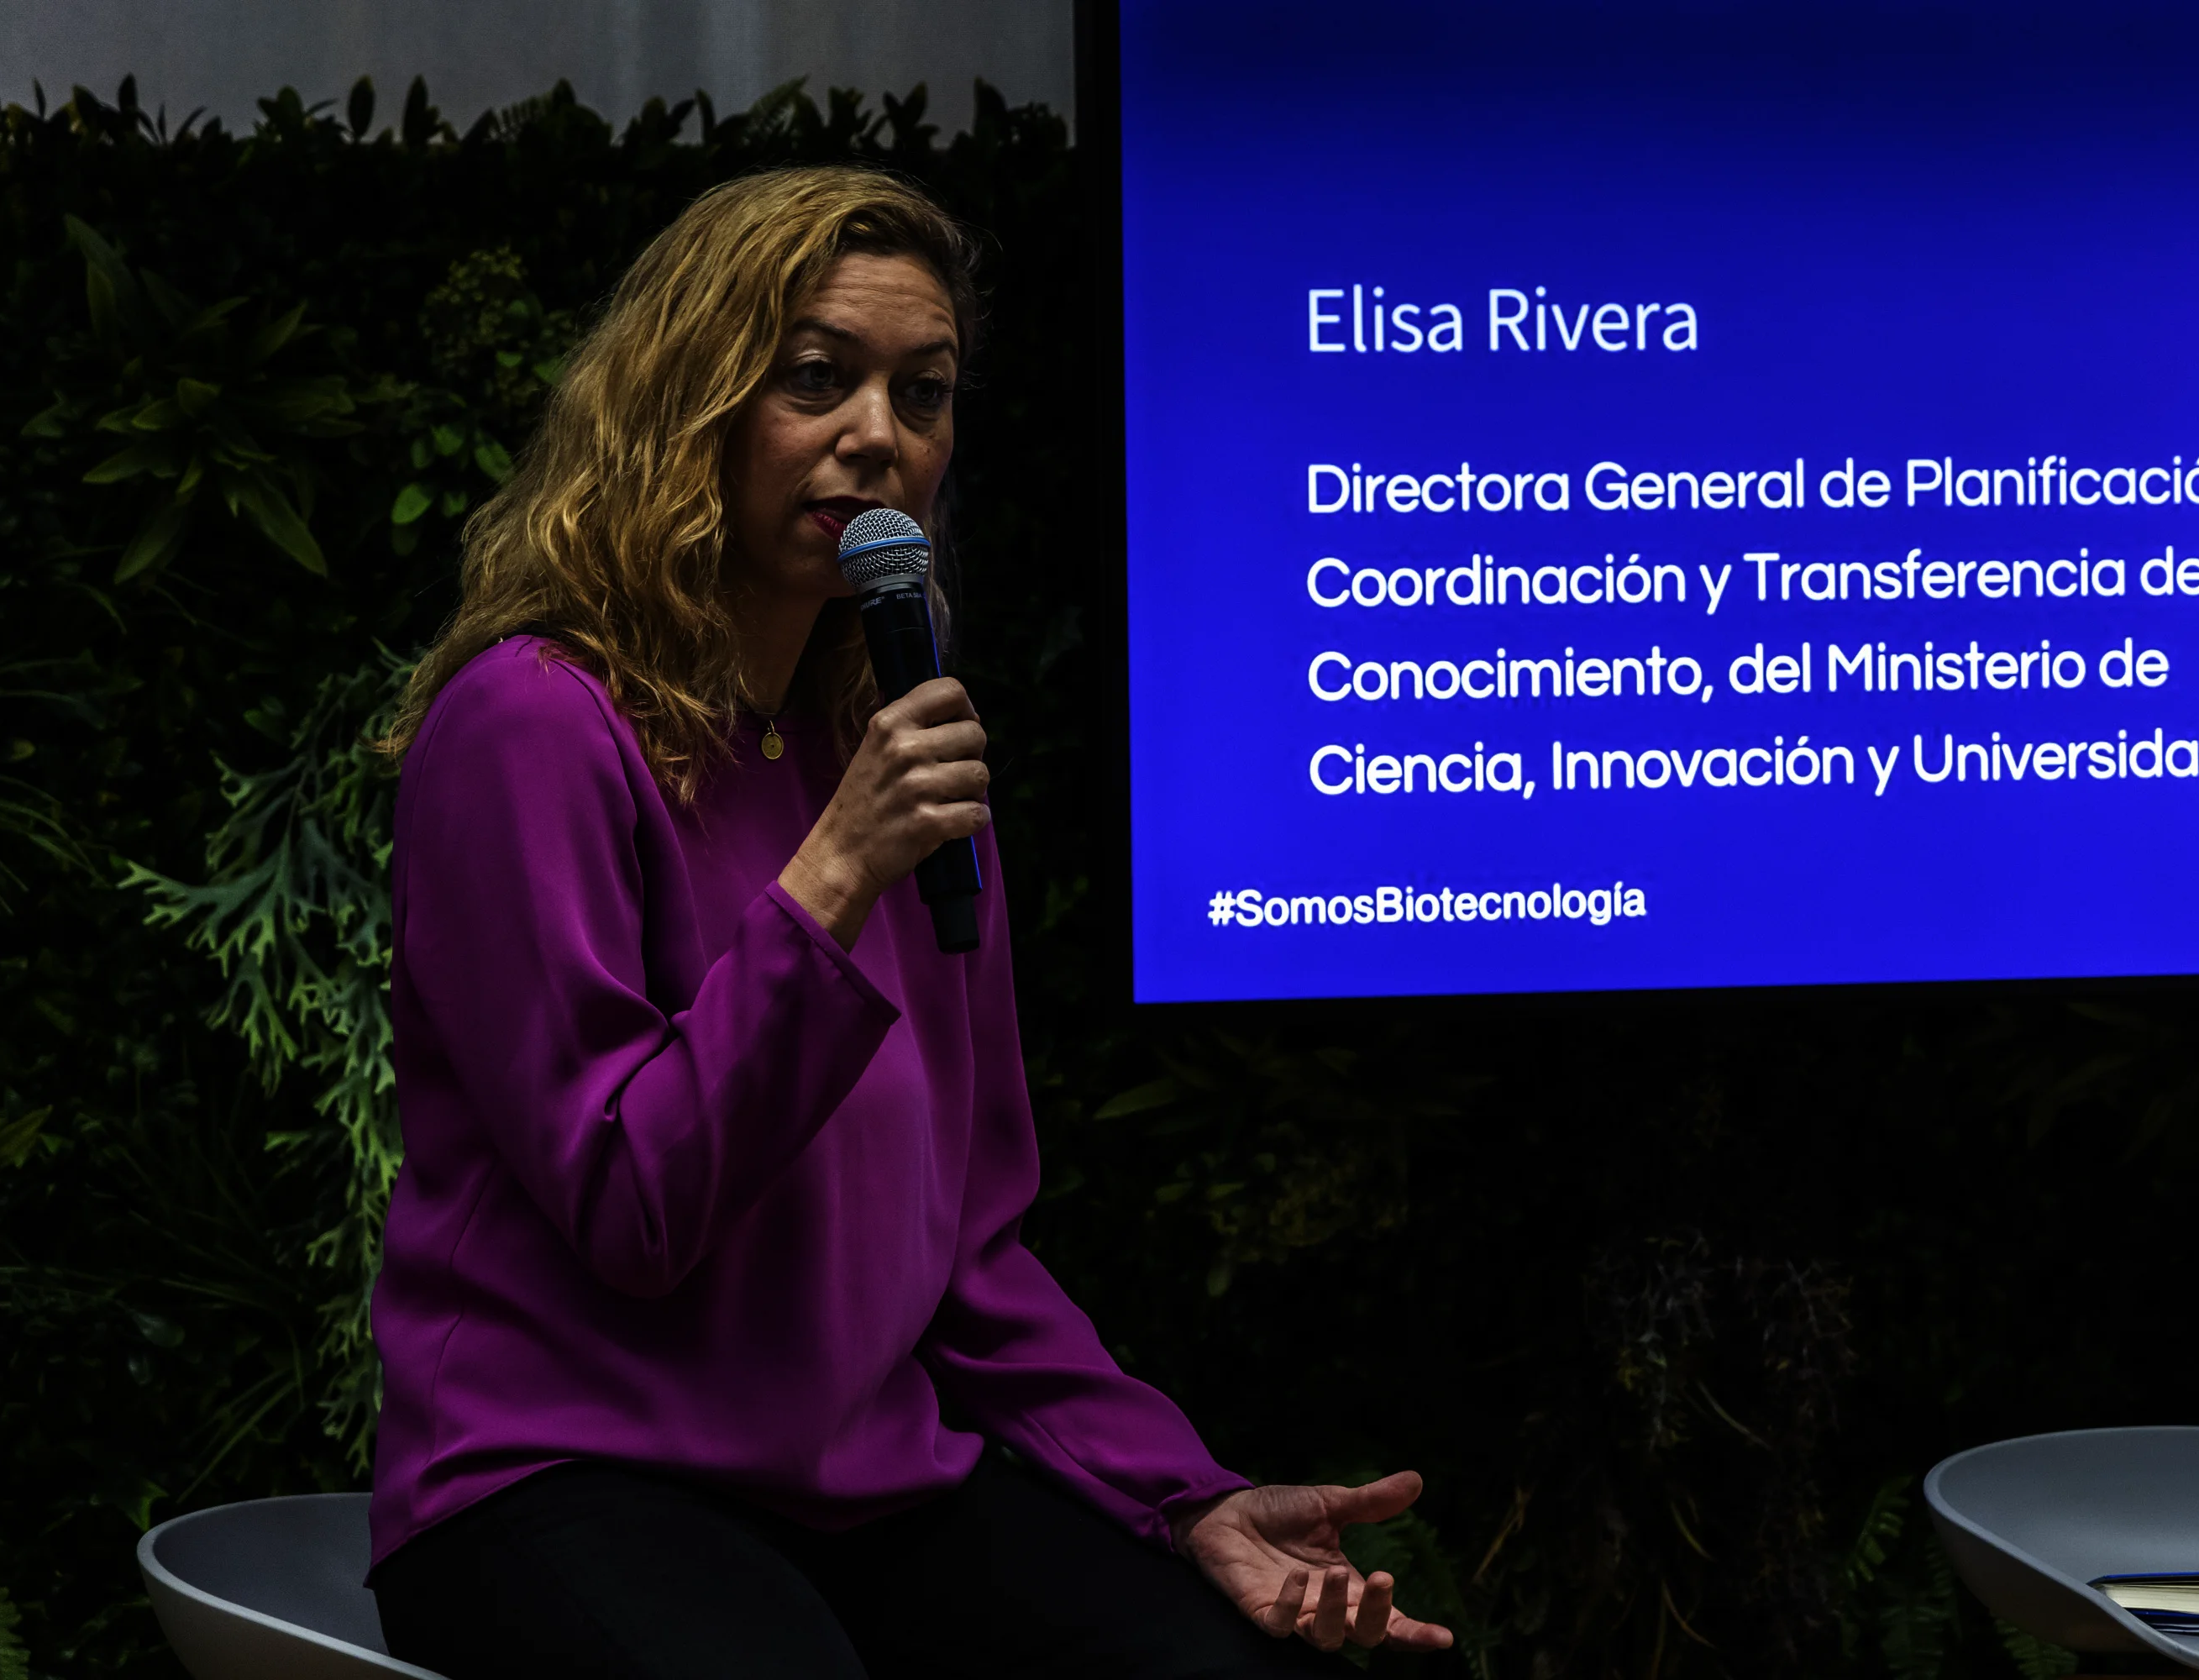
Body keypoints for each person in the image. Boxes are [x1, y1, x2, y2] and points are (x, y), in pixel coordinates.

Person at [364, 166, 1453, 1678]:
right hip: (559, 1479)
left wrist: (1183, 1498)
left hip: (860, 1489)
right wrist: (834, 877)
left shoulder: (894, 754)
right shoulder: (533, 724)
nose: (879, 436)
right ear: (689, 404)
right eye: (818, 378)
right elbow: (630, 1207)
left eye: (922, 394)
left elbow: (971, 1253)